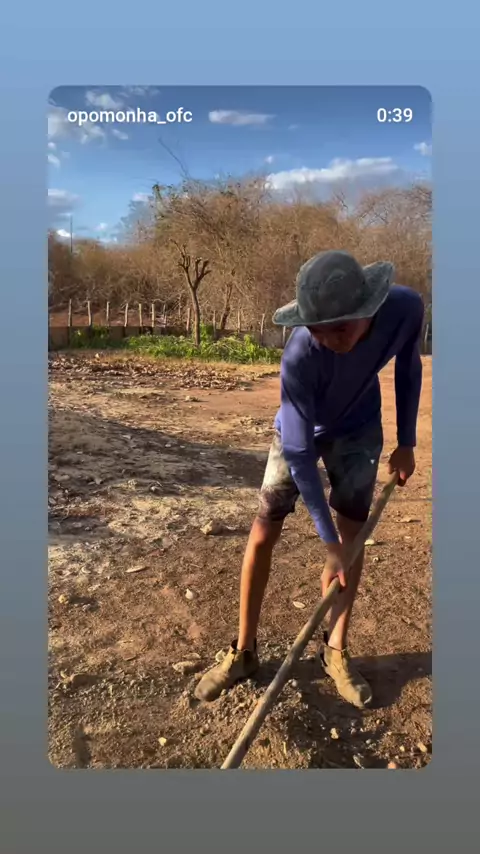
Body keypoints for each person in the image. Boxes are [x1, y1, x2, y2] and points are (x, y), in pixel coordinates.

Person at [195, 250, 424, 709]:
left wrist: (406, 442)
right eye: (318, 329)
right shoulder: (300, 355)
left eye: (341, 328)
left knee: (352, 538)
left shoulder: (404, 308)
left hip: (358, 430)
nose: (329, 340)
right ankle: (243, 651)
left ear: (368, 308)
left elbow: (408, 366)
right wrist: (326, 541)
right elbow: (299, 453)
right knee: (264, 529)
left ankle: (334, 650)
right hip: (299, 432)